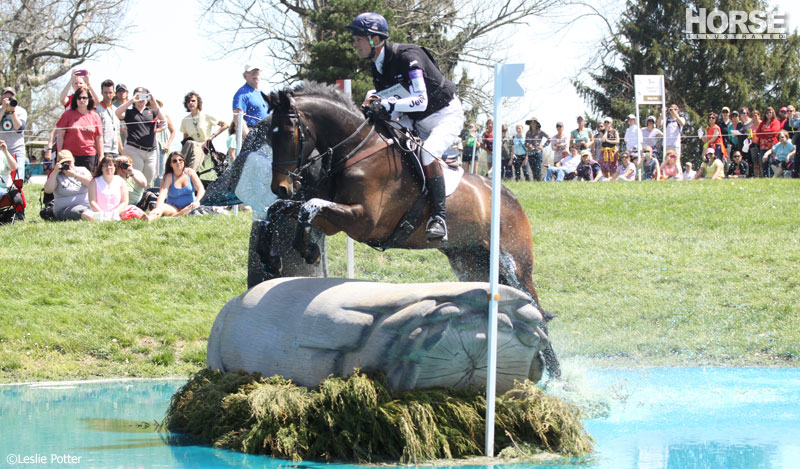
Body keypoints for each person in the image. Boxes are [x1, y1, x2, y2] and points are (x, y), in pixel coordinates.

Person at [347, 12, 463, 242]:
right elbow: (398, 102)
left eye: (358, 37)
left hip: (443, 115)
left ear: (375, 39)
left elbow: (421, 100)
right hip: (416, 120)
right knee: (387, 145)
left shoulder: (408, 57)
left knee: (427, 155)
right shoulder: (377, 67)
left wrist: (387, 104)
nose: (354, 42)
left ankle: (438, 219)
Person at [115, 87, 164, 186]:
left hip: (150, 151)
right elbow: (117, 113)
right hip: (134, 149)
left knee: (148, 181)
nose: (141, 100)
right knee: (134, 179)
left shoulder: (152, 112)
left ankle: (146, 199)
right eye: (138, 96)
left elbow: (164, 122)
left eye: (143, 96)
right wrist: (131, 101)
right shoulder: (129, 112)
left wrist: (154, 101)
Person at [55, 88, 104, 173]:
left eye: (84, 98)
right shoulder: (68, 114)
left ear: (89, 99)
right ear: (75, 99)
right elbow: (60, 135)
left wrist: (101, 156)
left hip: (89, 156)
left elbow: (99, 138)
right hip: (69, 155)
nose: (82, 100)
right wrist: (60, 153)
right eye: (79, 98)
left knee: (87, 182)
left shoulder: (95, 116)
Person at [147, 152, 204, 221]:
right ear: (170, 164)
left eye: (180, 160)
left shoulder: (190, 172)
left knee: (192, 208)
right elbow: (163, 193)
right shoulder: (169, 176)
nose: (178, 162)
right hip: (173, 208)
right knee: (160, 208)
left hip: (190, 206)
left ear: (184, 161)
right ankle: (149, 218)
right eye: (174, 161)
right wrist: (158, 208)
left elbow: (200, 188)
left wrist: (197, 201)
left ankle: (175, 216)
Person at [180, 91, 228, 171]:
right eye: (188, 101)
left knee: (191, 169)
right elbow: (185, 139)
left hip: (204, 146)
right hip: (191, 147)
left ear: (198, 102)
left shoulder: (206, 115)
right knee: (188, 144)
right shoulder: (185, 120)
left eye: (193, 100)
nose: (191, 103)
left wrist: (212, 136)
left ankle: (190, 175)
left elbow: (225, 125)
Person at [43, 150, 93, 221]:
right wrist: (55, 171)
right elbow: (48, 190)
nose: (67, 165)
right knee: (86, 214)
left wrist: (75, 175)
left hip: (87, 205)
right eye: (64, 163)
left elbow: (92, 184)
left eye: (69, 162)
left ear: (73, 161)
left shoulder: (82, 170)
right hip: (65, 209)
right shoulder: (57, 176)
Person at [84, 155, 128, 221]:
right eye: (105, 165)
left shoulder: (121, 181)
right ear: (101, 168)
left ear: (115, 167)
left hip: (117, 212)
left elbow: (125, 201)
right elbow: (92, 202)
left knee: (133, 209)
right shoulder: (94, 181)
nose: (108, 168)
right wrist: (103, 214)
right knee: (86, 215)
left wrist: (115, 212)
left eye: (111, 165)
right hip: (98, 213)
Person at [233, 64, 270, 138]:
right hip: (253, 134)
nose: (255, 74)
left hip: (267, 135)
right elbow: (238, 118)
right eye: (252, 72)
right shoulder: (242, 94)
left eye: (257, 71)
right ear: (245, 75)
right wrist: (248, 137)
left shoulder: (262, 93)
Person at [0, 87, 27, 184]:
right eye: (6, 99)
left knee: (17, 181)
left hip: (17, 150)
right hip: (1, 151)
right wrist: (3, 109)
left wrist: (12, 111)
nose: (8, 101)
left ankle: (17, 198)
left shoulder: (21, 111)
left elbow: (19, 128)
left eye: (10, 98)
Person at [96, 79, 123, 157]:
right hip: (102, 151)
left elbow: (117, 133)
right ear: (101, 92)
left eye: (110, 92)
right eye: (105, 92)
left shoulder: (116, 110)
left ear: (114, 93)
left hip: (115, 151)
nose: (108, 95)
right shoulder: (97, 109)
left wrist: (121, 151)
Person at [755, 107, 781, 177]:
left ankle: (773, 176)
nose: (769, 114)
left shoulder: (776, 122)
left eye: (770, 112)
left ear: (773, 113)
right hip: (763, 146)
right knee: (763, 162)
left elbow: (774, 132)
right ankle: (765, 177)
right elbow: (757, 133)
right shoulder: (762, 123)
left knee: (772, 162)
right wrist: (767, 133)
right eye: (767, 112)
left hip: (773, 146)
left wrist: (763, 132)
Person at [524, 117, 548, 181]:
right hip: (530, 153)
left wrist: (543, 146)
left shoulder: (540, 132)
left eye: (534, 122)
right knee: (533, 169)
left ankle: (539, 181)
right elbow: (525, 143)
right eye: (531, 122)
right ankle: (535, 182)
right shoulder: (528, 133)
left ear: (537, 124)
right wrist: (528, 145)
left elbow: (549, 138)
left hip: (538, 152)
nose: (533, 124)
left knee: (538, 169)